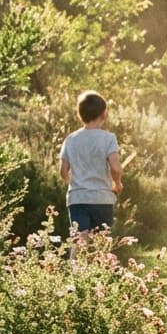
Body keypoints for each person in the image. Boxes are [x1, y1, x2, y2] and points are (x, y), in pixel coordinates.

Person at [59, 90, 123, 238]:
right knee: (100, 244)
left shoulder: (70, 139)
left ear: (79, 114)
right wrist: (117, 183)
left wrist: (77, 184)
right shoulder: (108, 139)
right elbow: (115, 168)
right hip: (102, 198)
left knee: (79, 240)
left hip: (77, 199)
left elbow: (63, 172)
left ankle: (75, 262)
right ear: (104, 114)